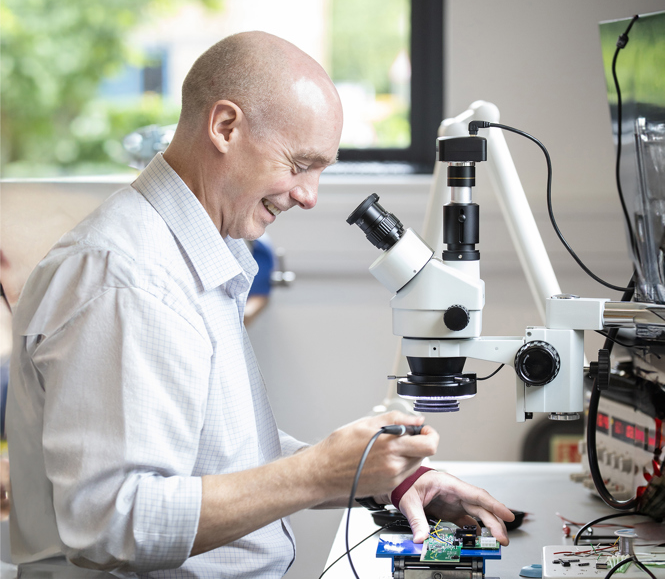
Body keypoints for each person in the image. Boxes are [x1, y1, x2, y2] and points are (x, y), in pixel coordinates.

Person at [6, 31, 514, 577]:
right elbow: (111, 524)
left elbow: (221, 464)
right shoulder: (126, 279)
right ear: (225, 127)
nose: (310, 195)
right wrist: (319, 472)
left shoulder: (195, 254)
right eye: (299, 164)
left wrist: (377, 474)